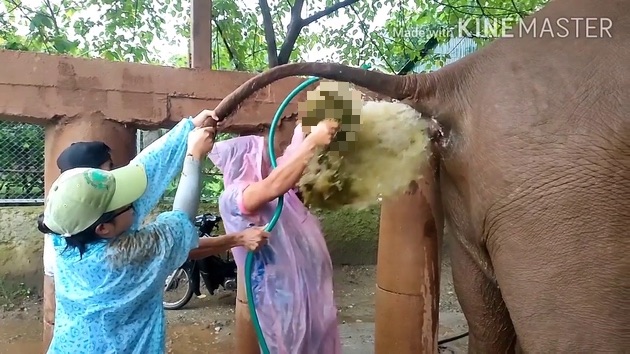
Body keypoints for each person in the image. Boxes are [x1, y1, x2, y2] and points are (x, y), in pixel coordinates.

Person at [37, 111, 269, 353]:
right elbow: (180, 223)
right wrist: (193, 158)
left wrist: (188, 128)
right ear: (103, 228)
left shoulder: (63, 235)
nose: (135, 202)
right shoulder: (127, 257)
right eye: (126, 202)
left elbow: (144, 171)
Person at [208, 119, 342, 354]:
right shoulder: (234, 196)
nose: (269, 161)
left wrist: (304, 131)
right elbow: (274, 184)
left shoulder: (280, 193)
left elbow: (288, 165)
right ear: (246, 161)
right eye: (262, 158)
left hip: (309, 293)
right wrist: (312, 140)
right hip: (280, 300)